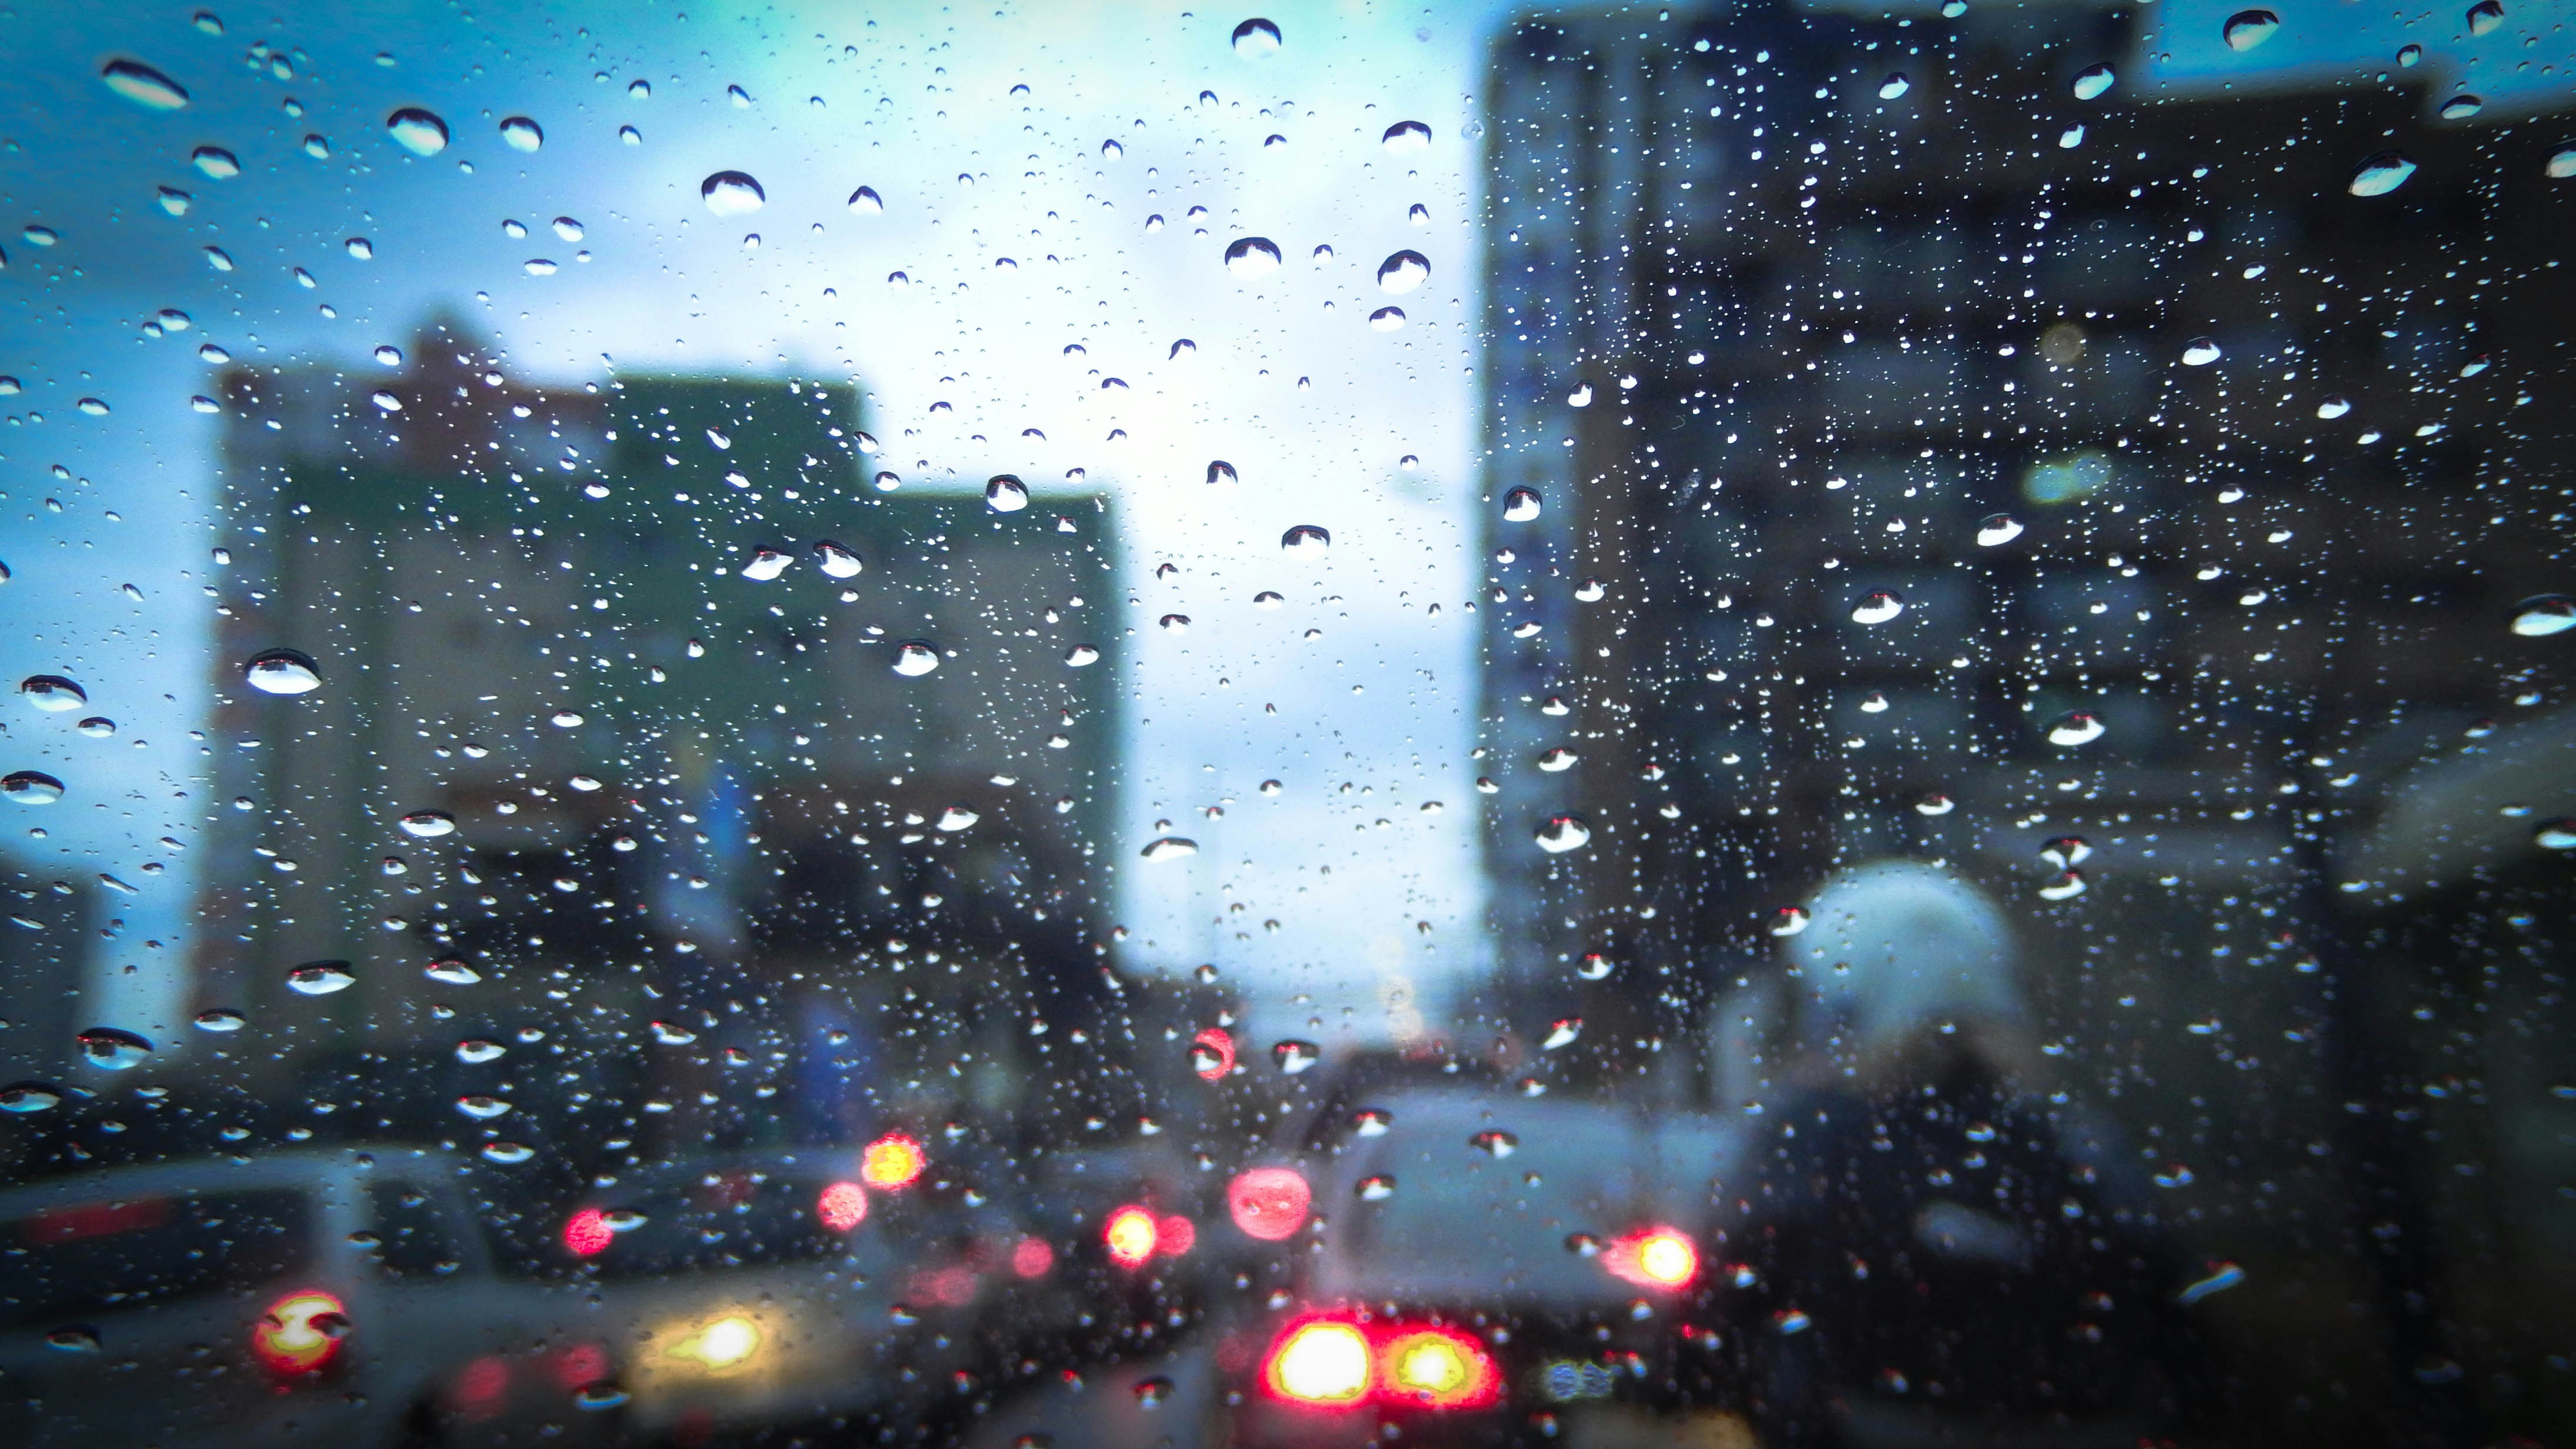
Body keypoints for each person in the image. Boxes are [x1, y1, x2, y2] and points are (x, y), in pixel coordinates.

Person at [1733, 861, 2214, 1448]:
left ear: (1840, 1001)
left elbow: (1736, 1287)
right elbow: (2172, 1302)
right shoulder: (2065, 1129)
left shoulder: (1819, 1132)